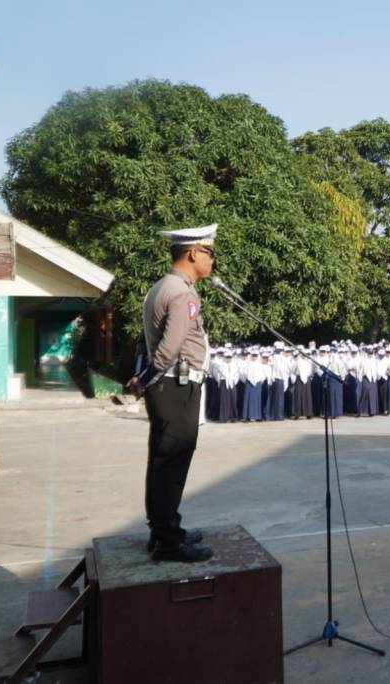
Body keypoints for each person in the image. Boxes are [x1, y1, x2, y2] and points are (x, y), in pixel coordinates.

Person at [126, 224, 217, 563]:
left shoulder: (163, 286)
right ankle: (168, 541)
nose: (212, 260)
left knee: (163, 462)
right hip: (176, 387)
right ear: (193, 253)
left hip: (168, 386)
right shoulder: (182, 293)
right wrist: (145, 379)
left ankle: (164, 528)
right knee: (171, 463)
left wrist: (145, 380)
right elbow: (169, 348)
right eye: (210, 253)